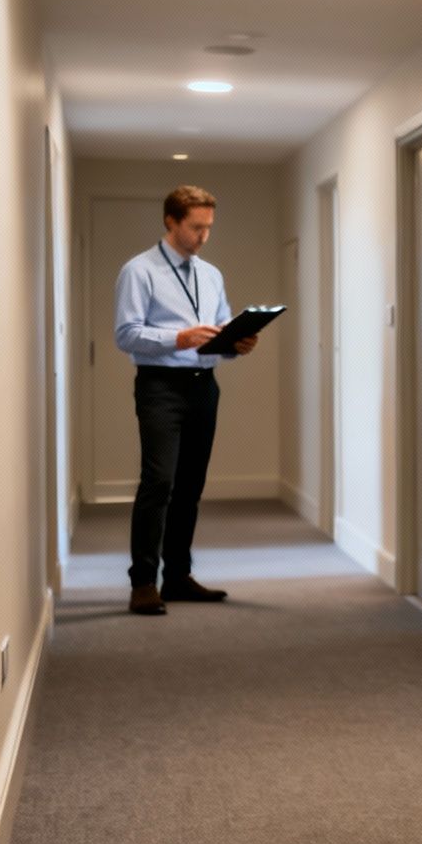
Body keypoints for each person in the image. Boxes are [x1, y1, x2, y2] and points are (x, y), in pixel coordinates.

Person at [112, 185, 259, 615]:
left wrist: (235, 343)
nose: (203, 236)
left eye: (209, 228)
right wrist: (178, 337)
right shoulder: (139, 271)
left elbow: (217, 330)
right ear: (171, 222)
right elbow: (126, 334)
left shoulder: (210, 274)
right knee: (159, 482)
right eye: (196, 227)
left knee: (190, 485)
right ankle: (143, 582)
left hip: (203, 386)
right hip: (160, 386)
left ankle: (176, 576)